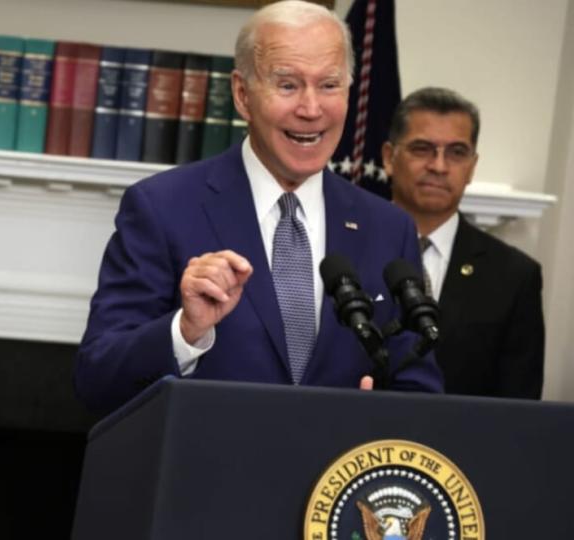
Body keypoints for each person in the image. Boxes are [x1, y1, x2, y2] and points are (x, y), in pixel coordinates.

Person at [75, 0, 443, 415]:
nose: (311, 109)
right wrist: (186, 330)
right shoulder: (161, 208)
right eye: (288, 85)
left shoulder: (388, 228)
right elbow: (97, 380)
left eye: (329, 85)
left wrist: (376, 418)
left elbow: (420, 392)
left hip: (340, 475)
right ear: (242, 94)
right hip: (210, 474)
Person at [383, 87, 544, 399]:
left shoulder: (514, 276)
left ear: (472, 166)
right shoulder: (347, 246)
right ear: (389, 158)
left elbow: (519, 409)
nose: (439, 167)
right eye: (422, 148)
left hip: (462, 445)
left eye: (456, 152)